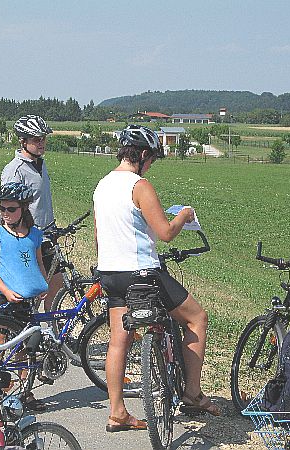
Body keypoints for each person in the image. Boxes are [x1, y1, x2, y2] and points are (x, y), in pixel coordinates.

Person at [93, 125, 220, 433]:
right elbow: (165, 233)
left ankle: (117, 412)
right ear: (144, 156)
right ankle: (192, 392)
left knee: (118, 342)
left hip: (110, 273)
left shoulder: (102, 185)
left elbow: (99, 237)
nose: (151, 167)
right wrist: (184, 216)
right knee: (197, 319)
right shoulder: (139, 186)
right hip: (143, 274)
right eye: (152, 161)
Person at [0, 181, 50, 411]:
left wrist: (43, 284)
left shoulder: (34, 235)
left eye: (11, 209)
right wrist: (5, 291)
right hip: (3, 298)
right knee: (0, 342)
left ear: (23, 209)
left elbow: (38, 262)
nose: (5, 214)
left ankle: (24, 392)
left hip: (25, 301)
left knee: (22, 347)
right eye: (2, 209)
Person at [1, 115, 62, 309]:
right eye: (36, 139)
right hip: (26, 238)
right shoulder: (15, 171)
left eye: (43, 138)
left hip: (47, 235)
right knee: (26, 296)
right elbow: (8, 211)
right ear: (23, 141)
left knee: (57, 288)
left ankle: (54, 332)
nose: (42, 142)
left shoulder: (40, 164)